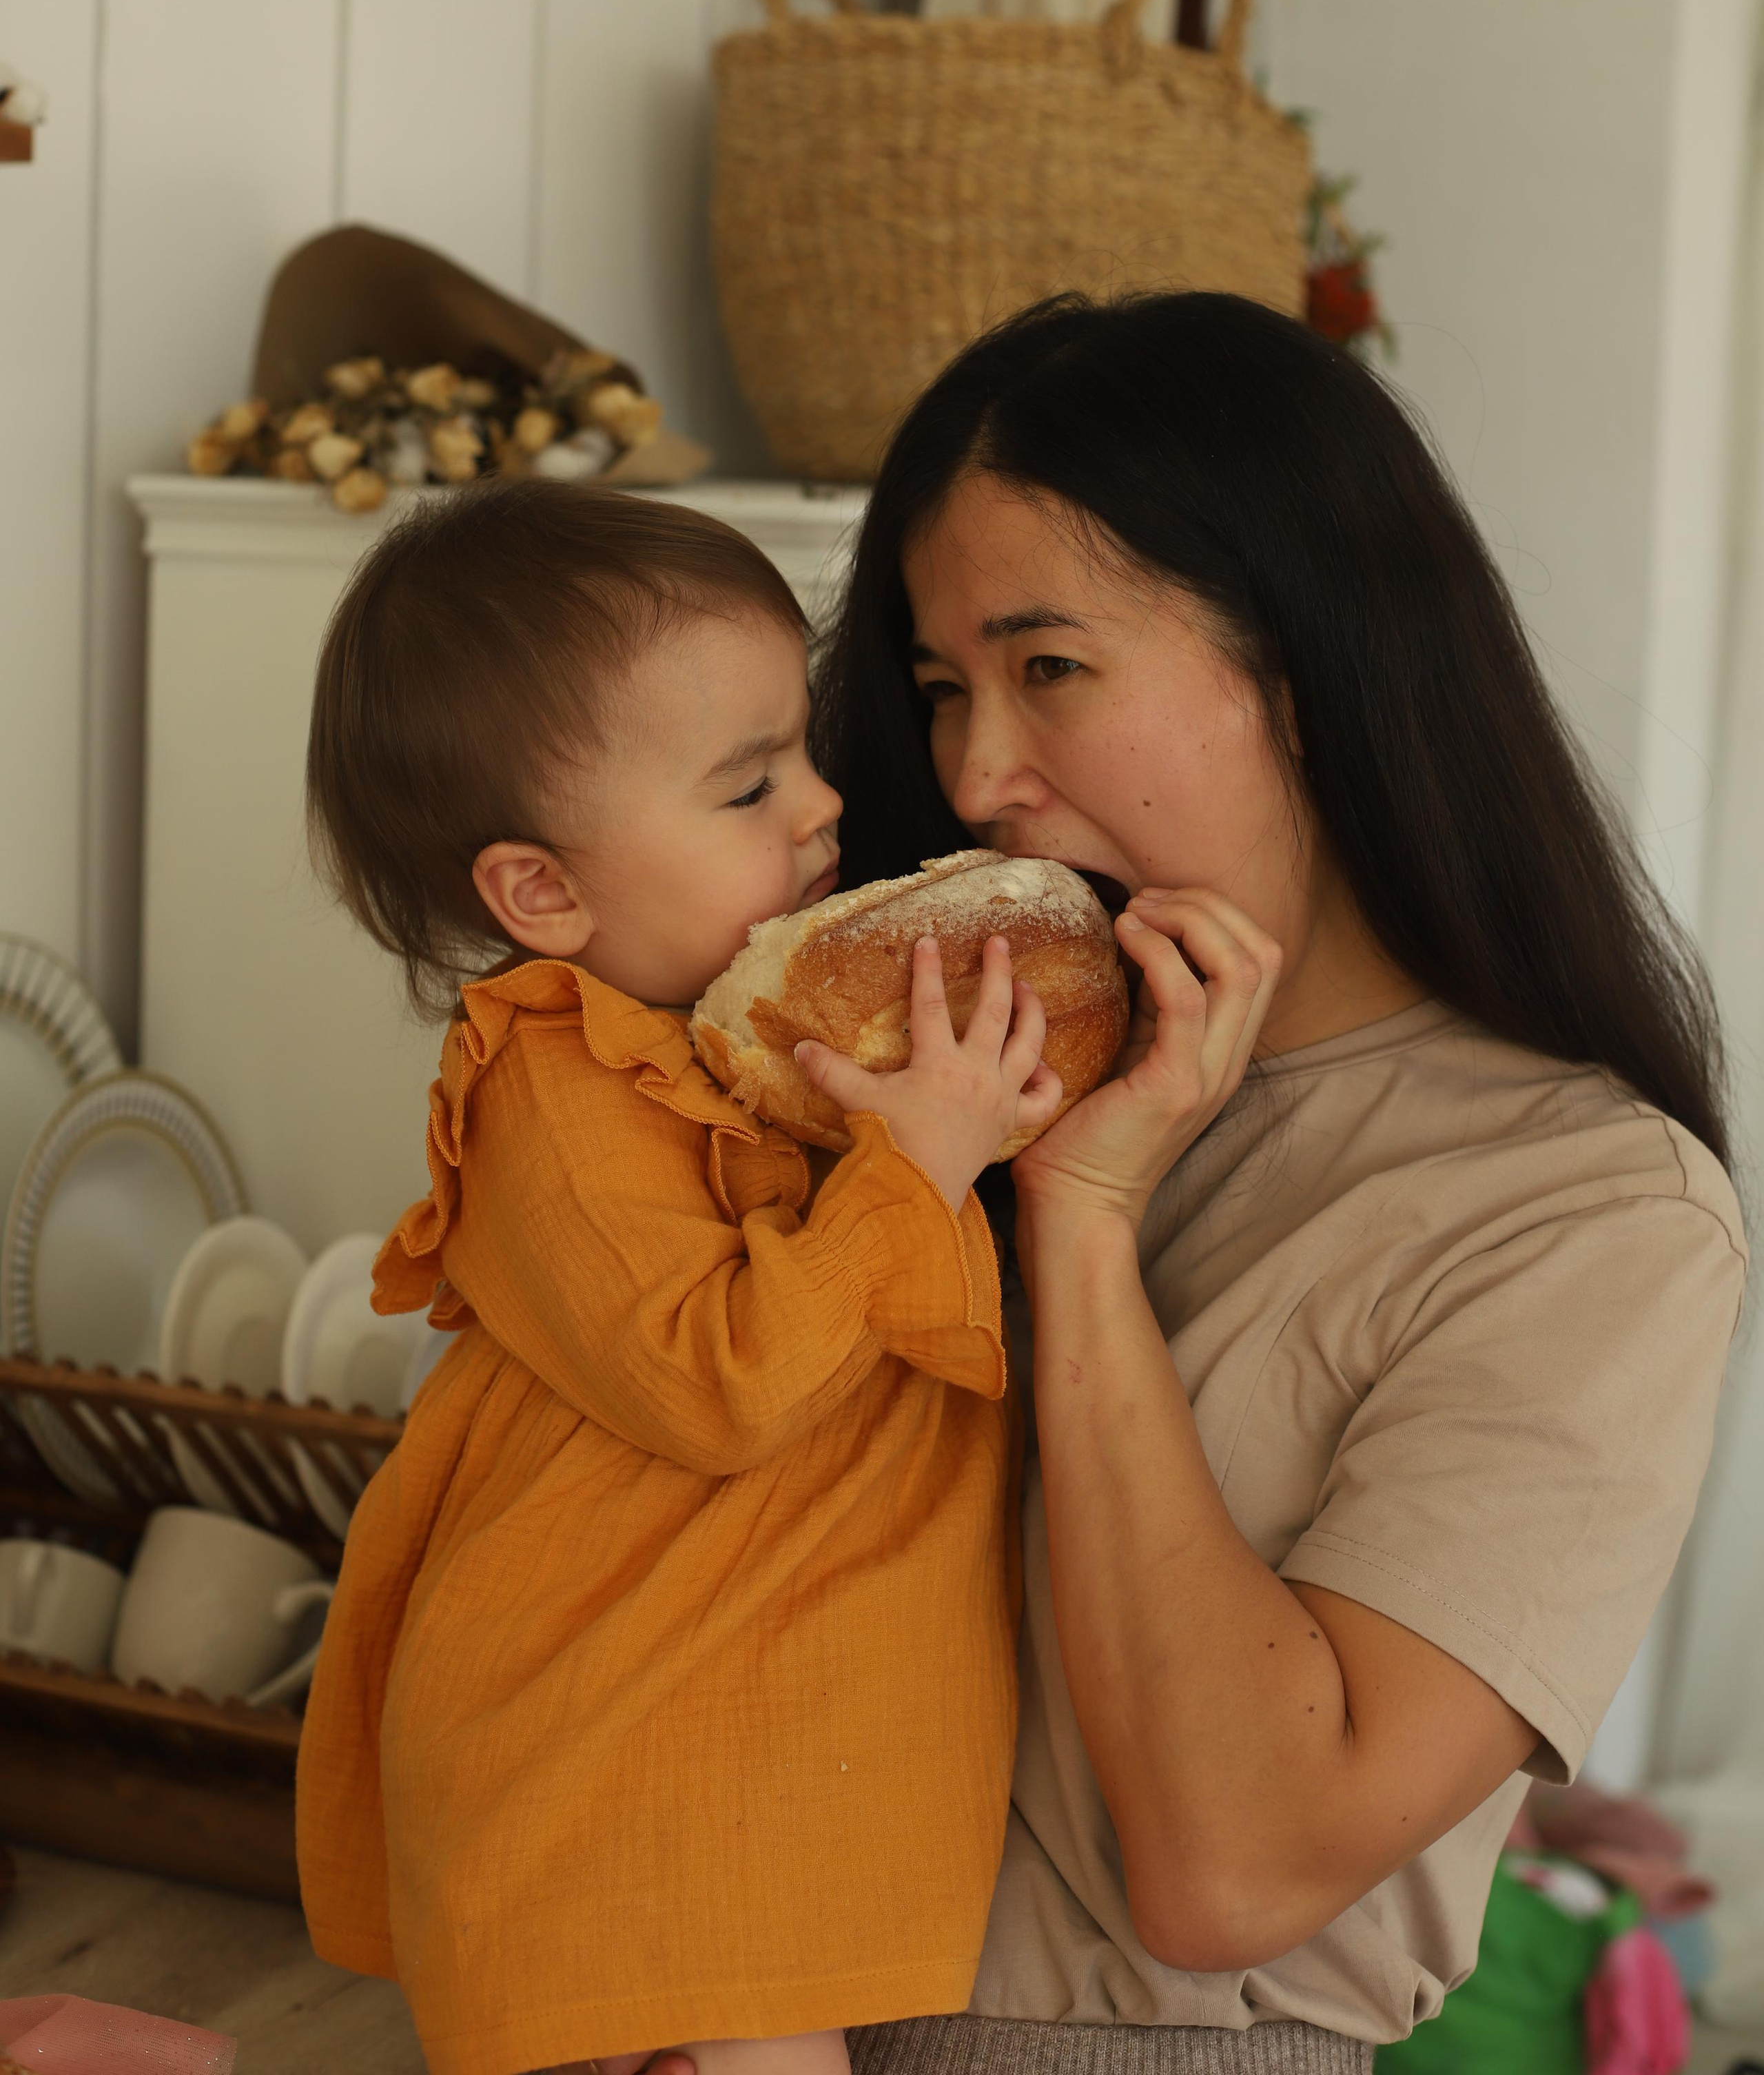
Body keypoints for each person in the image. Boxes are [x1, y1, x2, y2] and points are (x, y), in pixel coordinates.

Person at [803, 292, 1748, 2075]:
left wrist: (1083, 1227)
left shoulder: (1590, 1212)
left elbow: (1231, 1867)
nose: (977, 775)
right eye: (941, 690)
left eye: (1049, 668)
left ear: (1304, 681)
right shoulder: (942, 1079)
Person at [294, 479, 1062, 2075]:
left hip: (748, 1775)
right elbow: (721, 1383)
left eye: (802, 754)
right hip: (623, 1783)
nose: (818, 809)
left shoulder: (749, 1044)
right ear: (540, 896)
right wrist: (913, 1167)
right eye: (743, 788)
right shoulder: (552, 1093)